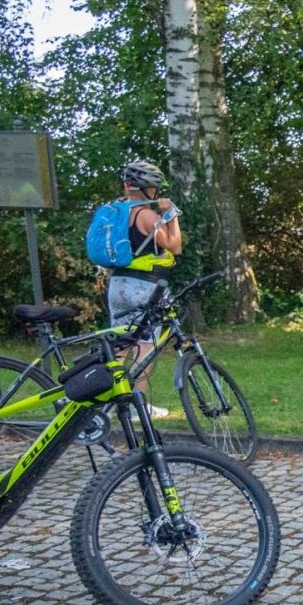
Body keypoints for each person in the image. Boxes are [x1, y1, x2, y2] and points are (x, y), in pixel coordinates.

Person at [105, 158, 183, 418]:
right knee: (146, 345)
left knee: (120, 346)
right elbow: (175, 246)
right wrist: (171, 214)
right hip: (143, 286)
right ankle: (139, 404)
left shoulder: (117, 212)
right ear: (149, 188)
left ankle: (104, 403)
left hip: (117, 285)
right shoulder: (146, 215)